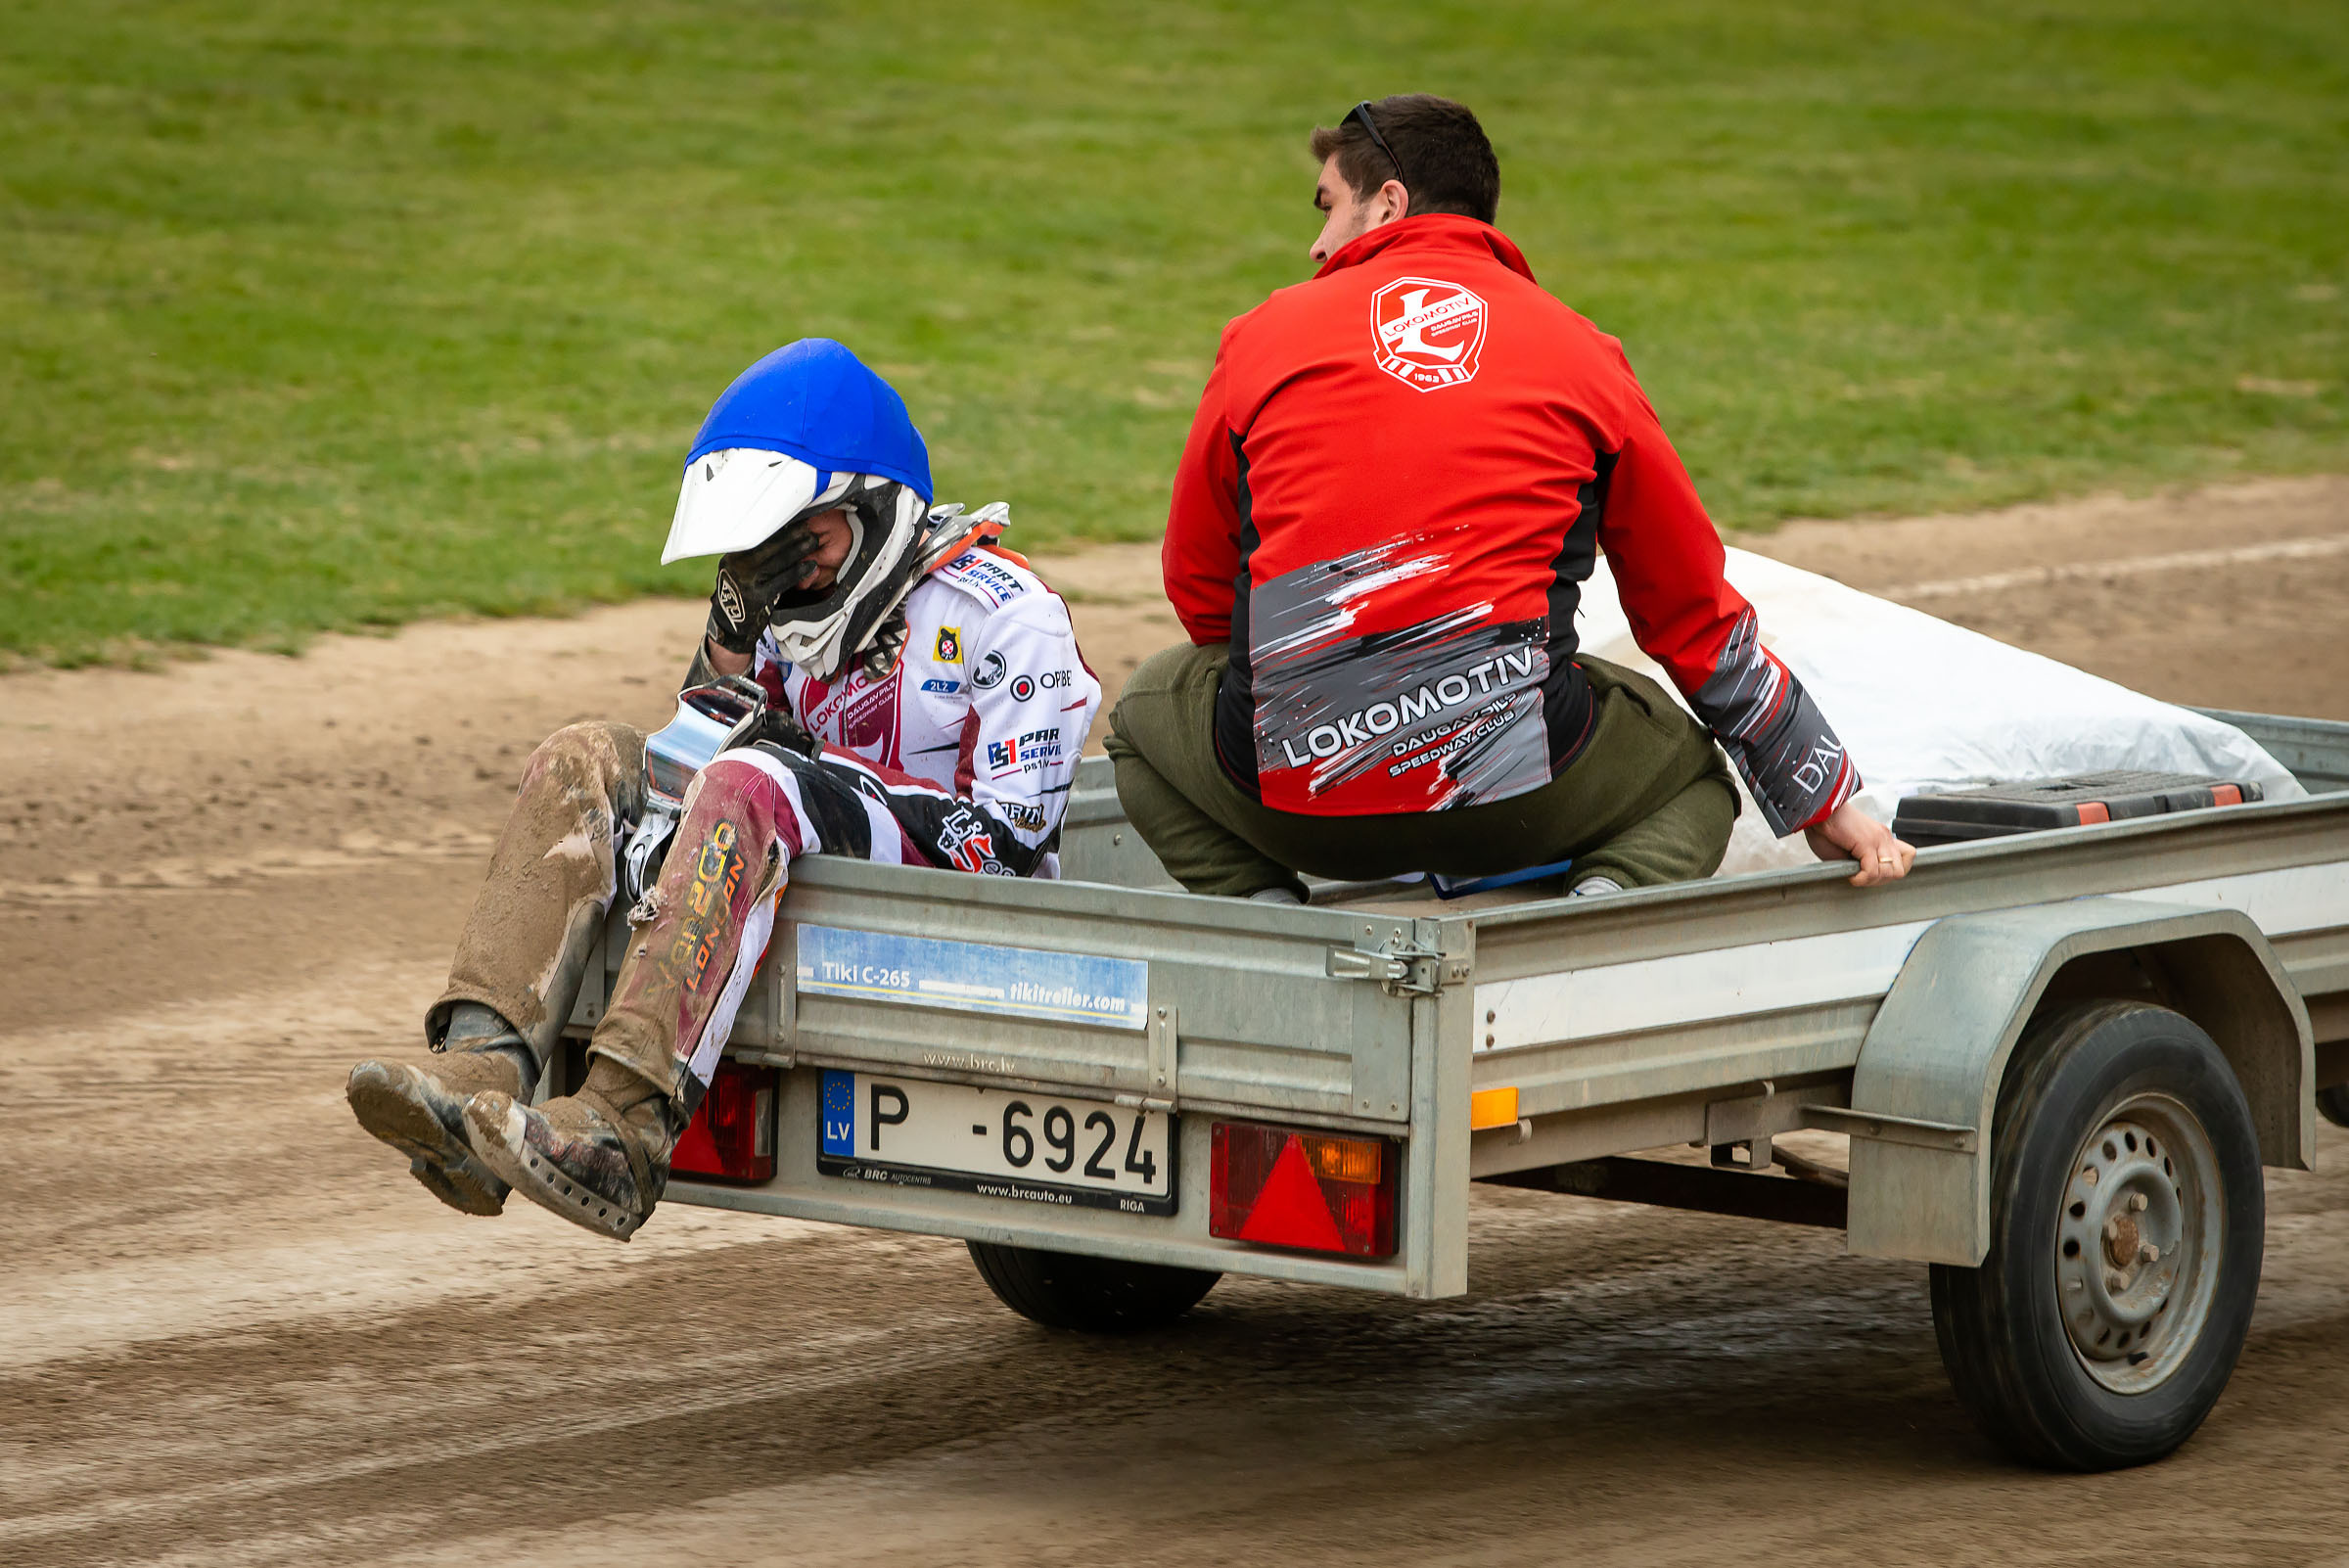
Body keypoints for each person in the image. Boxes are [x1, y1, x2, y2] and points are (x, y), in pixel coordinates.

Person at [345, 340, 1100, 1240]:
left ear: (878, 511)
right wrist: (731, 647)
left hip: (966, 889)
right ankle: (480, 1074)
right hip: (797, 863)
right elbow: (687, 768)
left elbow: (1013, 853)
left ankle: (622, 1129)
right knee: (579, 754)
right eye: (768, 551)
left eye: (806, 543)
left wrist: (807, 780)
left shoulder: (1004, 614)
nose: (793, 569)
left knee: (757, 779)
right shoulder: (787, 613)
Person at [1106, 95, 1913, 902]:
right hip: (1520, 804)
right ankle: (1594, 913)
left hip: (1295, 805)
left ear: (1387, 201)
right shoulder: (1583, 352)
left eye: (1328, 207)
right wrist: (1820, 795)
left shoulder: (1263, 336)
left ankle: (1264, 912)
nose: (1316, 243)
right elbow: (1688, 610)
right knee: (1695, 777)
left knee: (1141, 714)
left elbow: (1200, 583)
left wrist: (1311, 700)